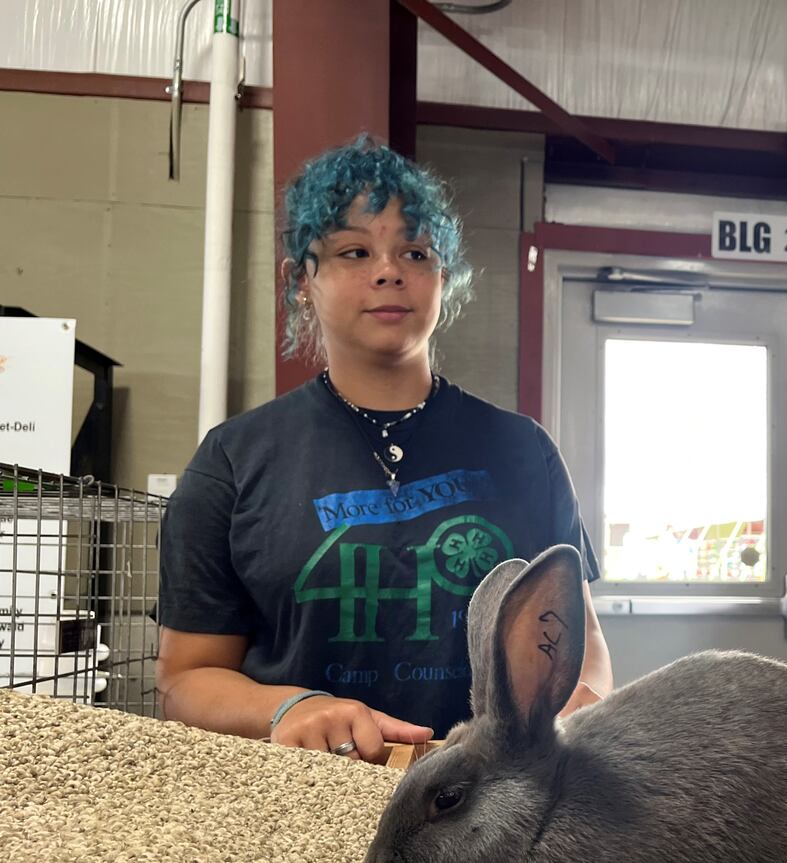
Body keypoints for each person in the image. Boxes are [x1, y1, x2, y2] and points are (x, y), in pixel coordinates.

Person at [155, 137, 611, 764]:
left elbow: (582, 643)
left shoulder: (524, 452)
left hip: (489, 799)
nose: (389, 271)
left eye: (415, 252)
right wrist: (290, 708)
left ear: (443, 277)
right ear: (301, 280)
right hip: (300, 793)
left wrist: (576, 706)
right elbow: (184, 680)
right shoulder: (234, 460)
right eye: (355, 252)